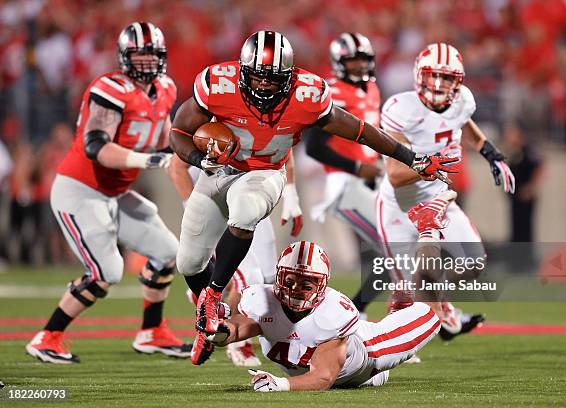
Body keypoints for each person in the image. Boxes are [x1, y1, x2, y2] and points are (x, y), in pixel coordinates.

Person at [169, 30, 456, 365]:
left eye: (273, 80)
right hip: (216, 172)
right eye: (258, 78)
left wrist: (412, 158)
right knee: (188, 262)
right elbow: (179, 131)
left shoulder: (307, 95)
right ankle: (212, 310)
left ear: (289, 79)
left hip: (263, 173)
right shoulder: (218, 83)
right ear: (244, 72)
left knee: (246, 209)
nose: (264, 86)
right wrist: (197, 159)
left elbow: (360, 130)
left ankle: (213, 295)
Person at [26, 22, 190, 364]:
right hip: (80, 190)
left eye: (152, 54)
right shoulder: (110, 88)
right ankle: (48, 336)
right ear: (124, 57)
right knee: (107, 272)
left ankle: (151, 331)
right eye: (139, 54)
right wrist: (148, 159)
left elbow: (163, 140)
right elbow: (96, 147)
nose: (146, 61)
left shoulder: (167, 88)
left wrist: (194, 150)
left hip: (115, 193)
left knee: (168, 252)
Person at [376, 43, 515, 341]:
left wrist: (490, 152)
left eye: (446, 77)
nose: (438, 85)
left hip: (437, 199)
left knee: (473, 262)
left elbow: (462, 122)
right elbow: (396, 175)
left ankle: (439, 301)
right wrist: (429, 164)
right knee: (406, 295)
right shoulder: (401, 109)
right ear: (418, 76)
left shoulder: (463, 100)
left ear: (458, 81)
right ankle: (390, 345)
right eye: (432, 76)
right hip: (400, 207)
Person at [202, 240, 440, 391]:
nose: (296, 288)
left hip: (371, 351)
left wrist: (280, 384)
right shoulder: (262, 300)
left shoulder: (332, 314)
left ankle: (429, 232)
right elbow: (238, 328)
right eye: (290, 279)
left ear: (323, 285)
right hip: (346, 377)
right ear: (278, 277)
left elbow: (323, 378)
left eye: (307, 282)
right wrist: (217, 333)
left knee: (432, 312)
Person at [168, 150, 303, 366]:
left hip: (251, 196)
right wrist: (196, 212)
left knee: (269, 277)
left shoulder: (267, 119)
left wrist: (291, 193)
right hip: (217, 205)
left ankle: (202, 305)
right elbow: (176, 167)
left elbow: (284, 142)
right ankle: (232, 339)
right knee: (249, 276)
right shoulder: (212, 118)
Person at [304, 32, 383, 318]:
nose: (361, 66)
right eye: (353, 62)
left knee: (387, 255)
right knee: (394, 249)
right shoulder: (333, 93)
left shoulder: (372, 89)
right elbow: (314, 147)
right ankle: (346, 314)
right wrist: (359, 167)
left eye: (364, 60)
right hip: (344, 182)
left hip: (371, 182)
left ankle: (352, 314)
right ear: (340, 63)